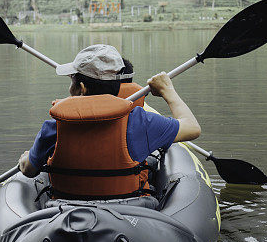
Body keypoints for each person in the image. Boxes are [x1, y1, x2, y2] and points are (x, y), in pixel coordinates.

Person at [17, 44, 200, 200]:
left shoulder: (54, 127)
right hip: (130, 211)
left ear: (81, 88)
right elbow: (192, 128)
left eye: (72, 80)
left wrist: (26, 158)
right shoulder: (141, 121)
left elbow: (30, 170)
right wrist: (168, 91)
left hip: (65, 211)